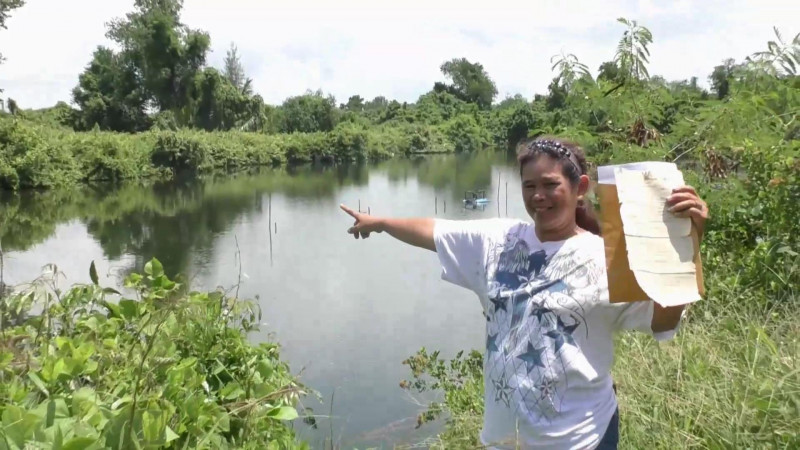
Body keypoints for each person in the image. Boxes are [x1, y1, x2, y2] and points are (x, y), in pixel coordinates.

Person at [339, 136, 709, 450]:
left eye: (550, 185)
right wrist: (383, 223)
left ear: (580, 188)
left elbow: (663, 319)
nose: (539, 197)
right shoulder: (499, 240)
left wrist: (687, 245)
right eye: (529, 187)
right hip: (506, 438)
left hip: (582, 437)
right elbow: (435, 231)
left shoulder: (606, 258)